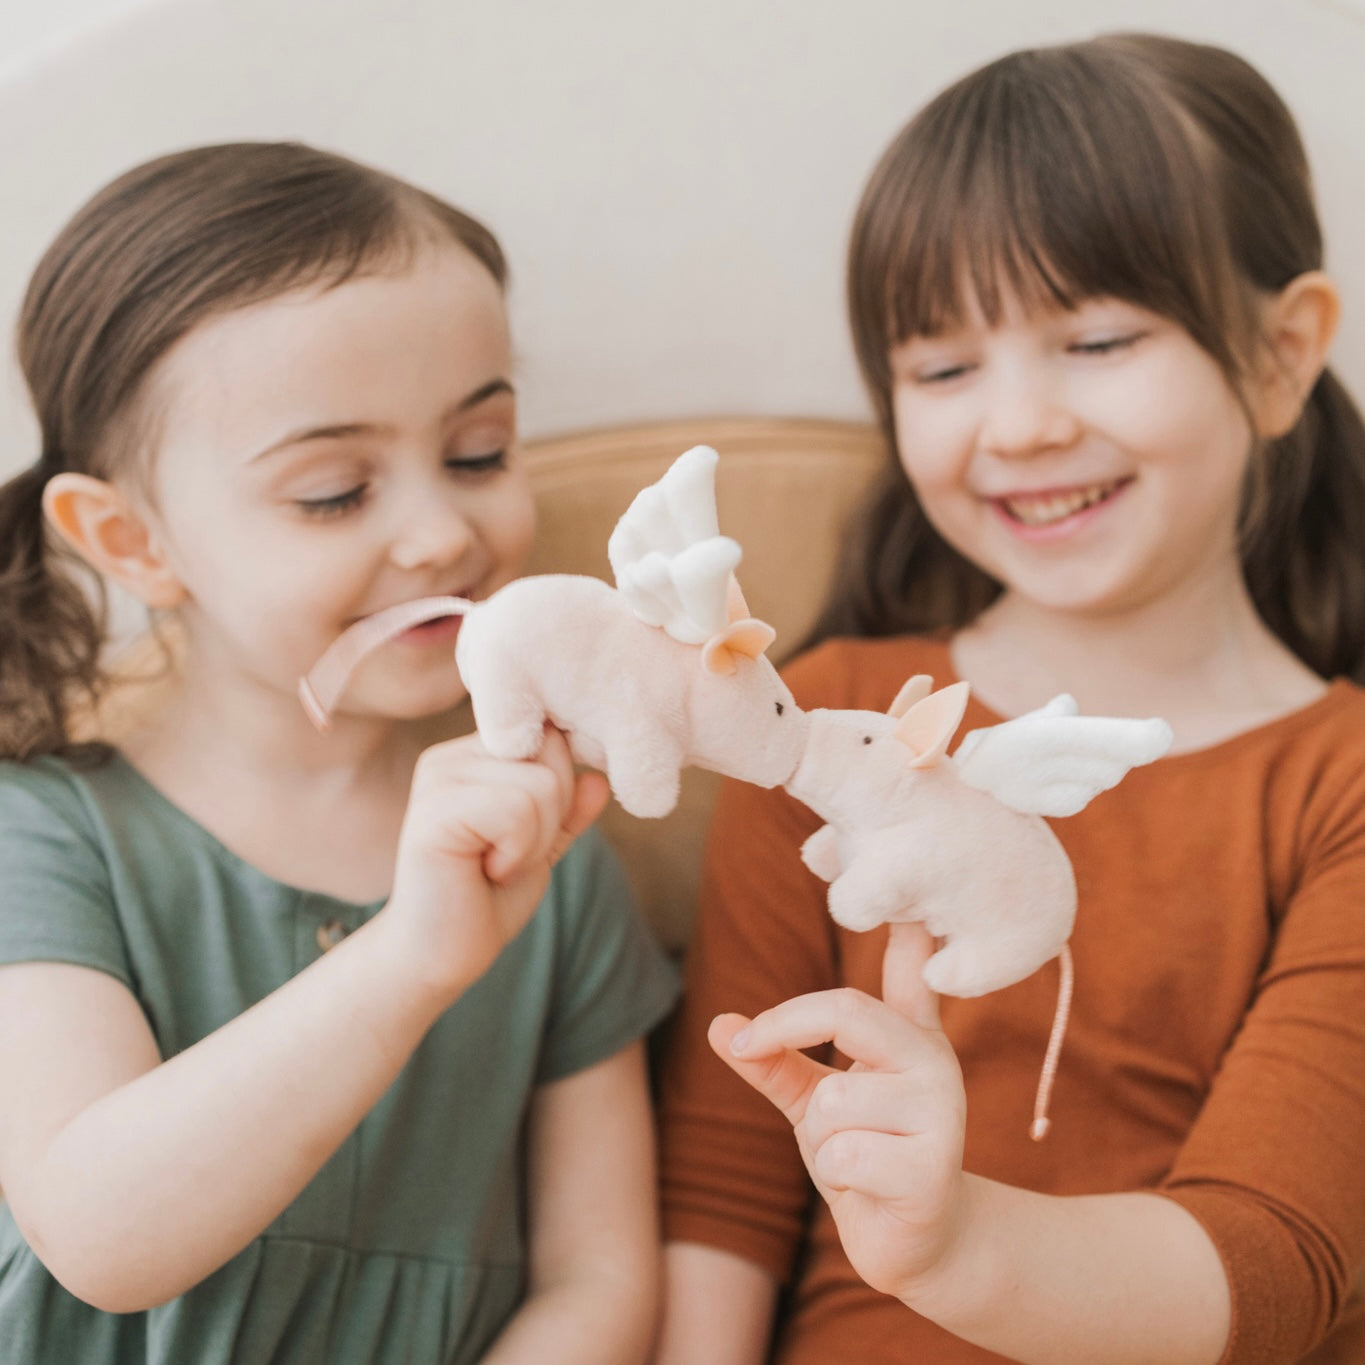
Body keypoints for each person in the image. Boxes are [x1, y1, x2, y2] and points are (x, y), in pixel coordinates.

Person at [653, 33, 1365, 1365]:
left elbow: (1273, 1267)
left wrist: (952, 1246)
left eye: (1096, 339)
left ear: (1281, 357)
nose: (1021, 424)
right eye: (943, 369)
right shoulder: (818, 720)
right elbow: (724, 1187)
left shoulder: (1340, 785)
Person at [0, 141, 678, 1365]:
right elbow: (100, 1237)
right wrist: (412, 957)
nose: (439, 534)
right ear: (132, 539)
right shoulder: (38, 836)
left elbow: (601, 1284)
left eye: (478, 454)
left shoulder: (559, 857)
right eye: (332, 493)